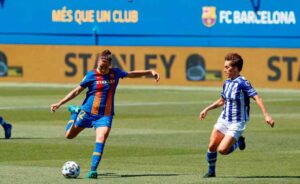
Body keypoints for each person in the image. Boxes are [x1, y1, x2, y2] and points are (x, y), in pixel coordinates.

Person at [51, 49, 159, 179]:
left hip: (105, 115)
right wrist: (60, 103)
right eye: (100, 65)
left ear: (109, 64)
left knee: (101, 138)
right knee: (69, 136)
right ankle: (74, 113)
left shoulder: (115, 73)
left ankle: (92, 171)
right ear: (97, 62)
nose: (101, 68)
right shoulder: (91, 75)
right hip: (86, 112)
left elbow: (131, 74)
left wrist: (150, 71)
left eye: (104, 66)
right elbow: (76, 91)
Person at [199, 53, 275, 178]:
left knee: (222, 150)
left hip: (237, 122)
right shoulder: (227, 82)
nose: (224, 69)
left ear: (235, 68)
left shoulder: (243, 83)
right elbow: (222, 100)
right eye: (224, 66)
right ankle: (211, 172)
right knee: (212, 145)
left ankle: (238, 142)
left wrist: (266, 115)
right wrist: (207, 109)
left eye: (227, 67)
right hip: (224, 119)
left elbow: (257, 98)